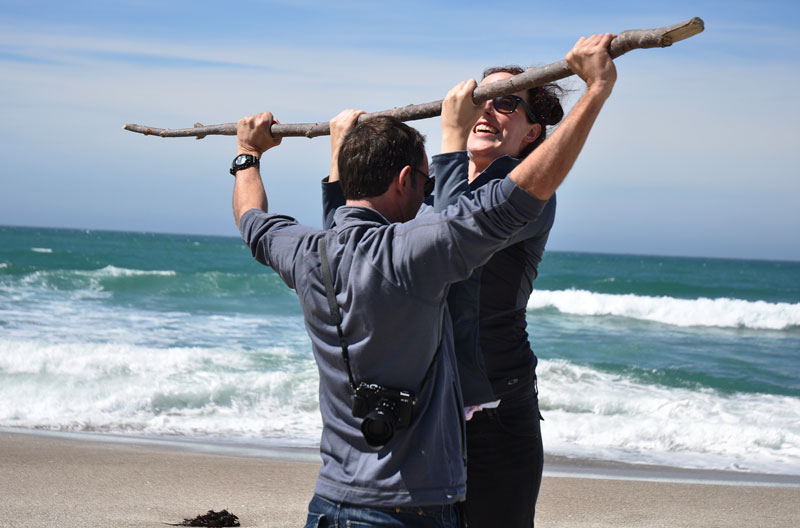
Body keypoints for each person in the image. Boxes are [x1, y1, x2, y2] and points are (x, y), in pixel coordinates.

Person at [320, 34, 617, 527]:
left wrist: (451, 144)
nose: (485, 111)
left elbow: (457, 231)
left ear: (532, 135)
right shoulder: (428, 187)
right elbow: (348, 248)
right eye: (480, 99)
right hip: (422, 419)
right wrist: (340, 159)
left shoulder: (527, 192)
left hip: (495, 420)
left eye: (506, 103)